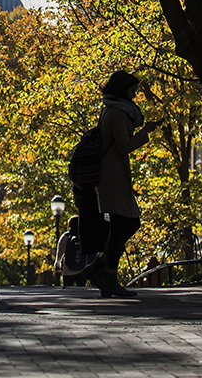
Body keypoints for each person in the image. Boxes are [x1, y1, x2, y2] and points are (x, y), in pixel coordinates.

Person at [82, 70, 158, 299]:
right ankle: (109, 277)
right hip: (112, 177)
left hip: (116, 176)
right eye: (132, 90)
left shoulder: (113, 110)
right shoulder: (116, 113)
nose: (134, 95)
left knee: (129, 224)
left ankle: (98, 269)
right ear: (122, 89)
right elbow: (124, 146)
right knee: (122, 225)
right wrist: (145, 133)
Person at [54, 215, 92, 287]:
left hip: (68, 269)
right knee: (81, 290)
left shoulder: (65, 237)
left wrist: (57, 265)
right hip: (82, 269)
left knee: (67, 291)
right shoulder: (84, 236)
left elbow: (60, 253)